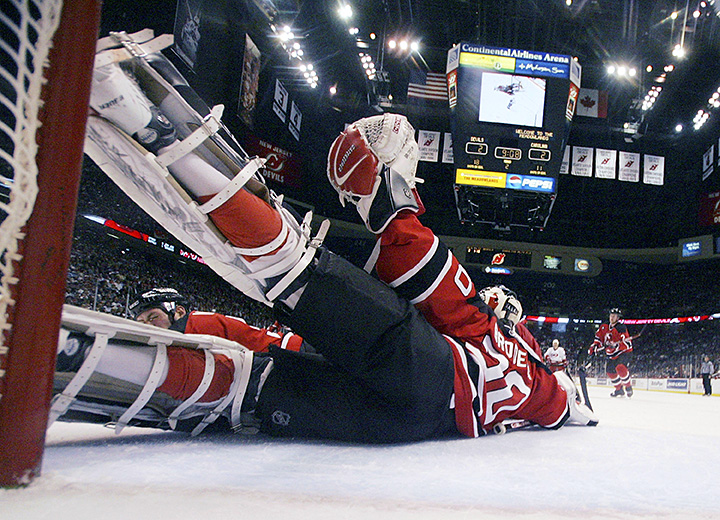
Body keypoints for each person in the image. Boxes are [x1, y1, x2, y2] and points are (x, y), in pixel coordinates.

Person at [53, 56, 598, 443]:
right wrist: (194, 322)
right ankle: (68, 362)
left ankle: (151, 123)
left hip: (428, 371)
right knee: (246, 385)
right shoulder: (541, 394)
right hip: (402, 424)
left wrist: (393, 210)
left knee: (297, 270)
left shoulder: (498, 340)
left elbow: (435, 283)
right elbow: (278, 340)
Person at [129, 287, 308, 353]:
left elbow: (255, 342)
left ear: (179, 312)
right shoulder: (175, 338)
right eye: (141, 322)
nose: (147, 325)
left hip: (295, 353)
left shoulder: (199, 324)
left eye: (153, 317)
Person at [588, 308, 633, 398]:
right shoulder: (604, 326)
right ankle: (619, 390)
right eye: (611, 315)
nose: (612, 318)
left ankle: (628, 387)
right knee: (610, 371)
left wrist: (616, 346)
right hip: (612, 355)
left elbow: (628, 344)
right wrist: (595, 346)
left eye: (614, 316)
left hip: (623, 352)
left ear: (618, 318)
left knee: (620, 367)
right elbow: (598, 339)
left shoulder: (621, 328)